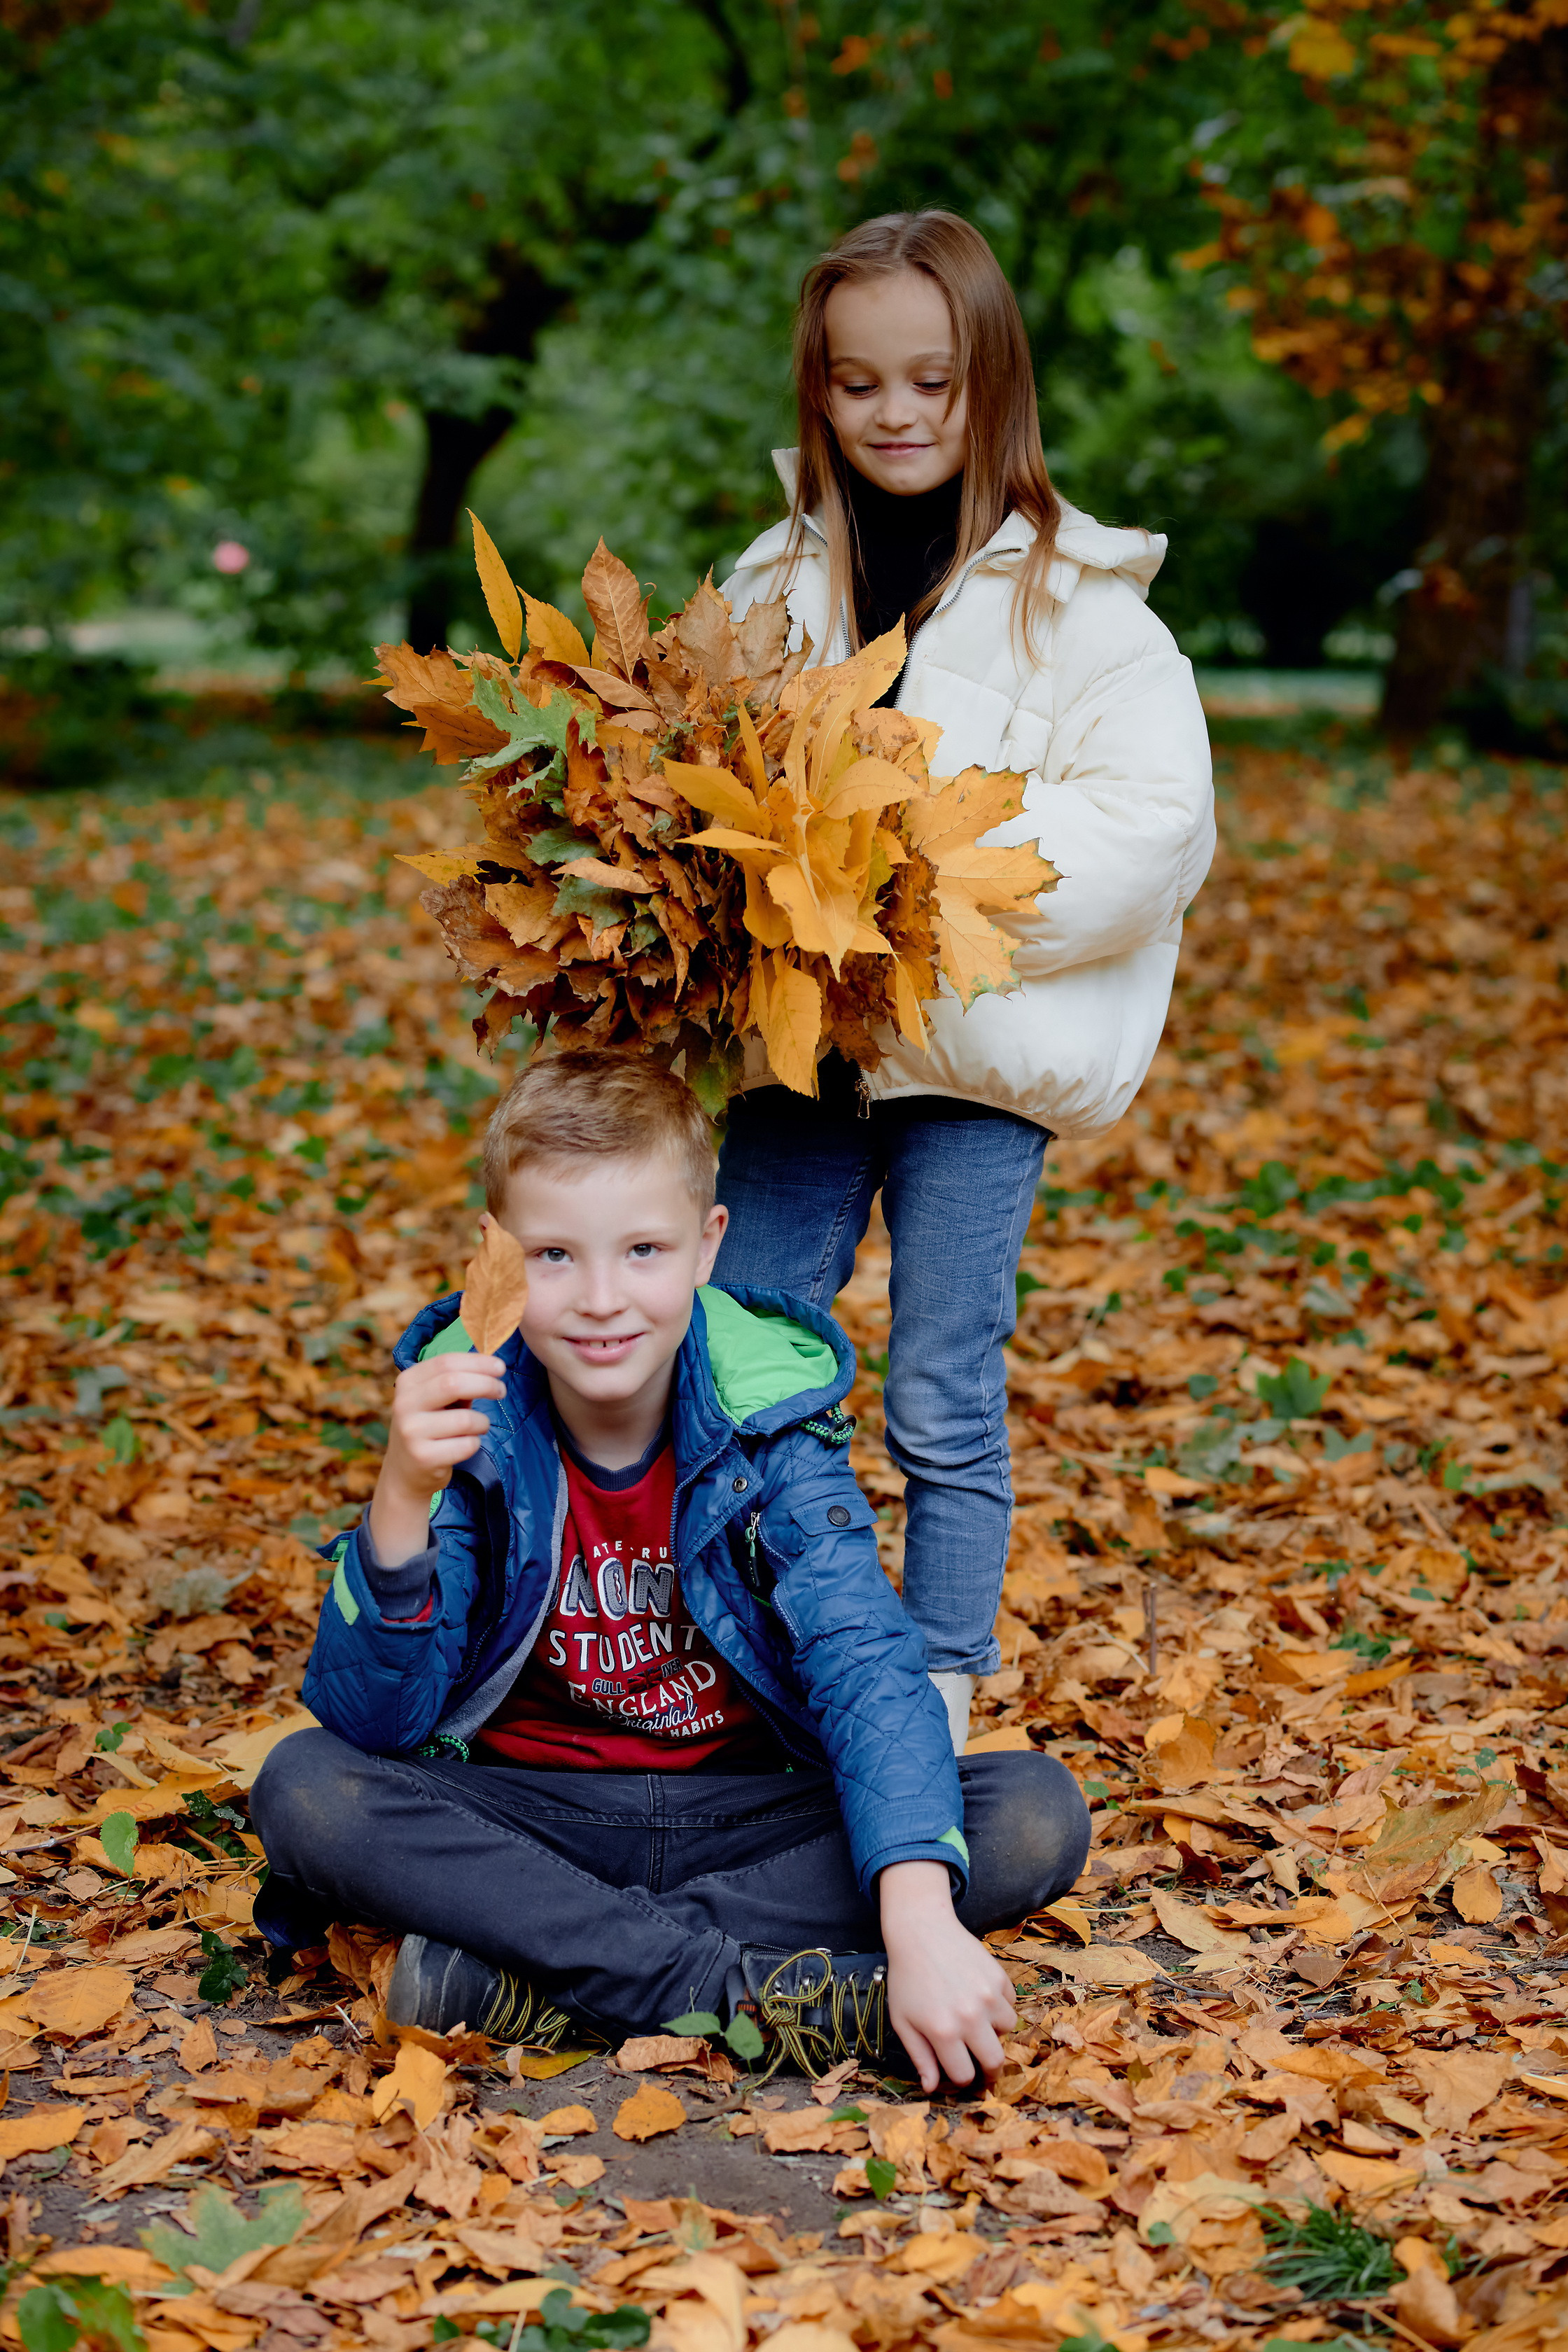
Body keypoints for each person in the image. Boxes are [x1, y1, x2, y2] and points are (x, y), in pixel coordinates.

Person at [251, 1051, 1090, 2087]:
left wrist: (916, 1919)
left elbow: (865, 1664)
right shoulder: (476, 1417)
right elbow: (377, 1721)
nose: (603, 1299)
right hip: (532, 1816)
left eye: (643, 1249)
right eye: (555, 1255)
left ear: (707, 1245)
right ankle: (738, 1995)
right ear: (499, 1258)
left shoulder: (765, 1423)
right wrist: (398, 1497)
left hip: (738, 1821)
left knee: (1030, 1812)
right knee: (306, 1789)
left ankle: (534, 1982)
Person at [714, 211, 1214, 1752]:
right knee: (748, 1333)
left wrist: (905, 874)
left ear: (991, 379)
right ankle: (761, 1637)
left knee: (942, 1374)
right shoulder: (766, 583)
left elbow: (1151, 833)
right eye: (857, 382)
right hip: (800, 1048)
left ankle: (932, 1678)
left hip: (974, 1059)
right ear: (818, 393)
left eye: (932, 378)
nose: (897, 412)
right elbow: (697, 777)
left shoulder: (1087, 613)